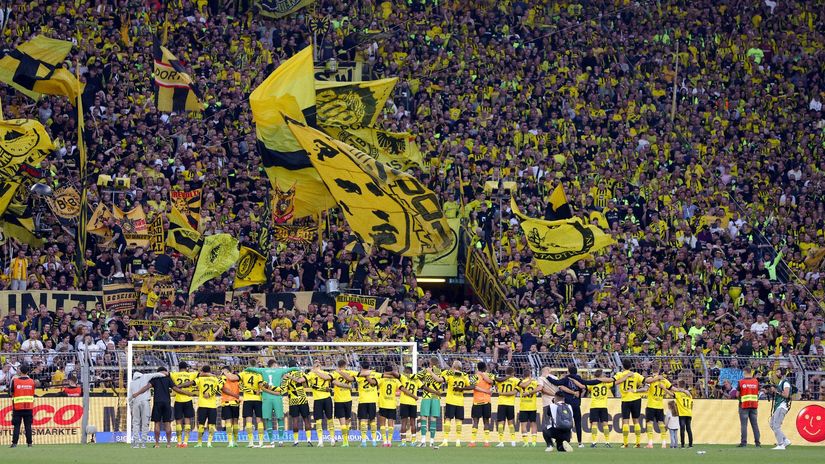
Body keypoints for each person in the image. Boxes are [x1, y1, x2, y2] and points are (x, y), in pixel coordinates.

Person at [246, 359, 301, 446]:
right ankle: (281, 440)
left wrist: (247, 370)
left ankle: (271, 440)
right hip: (277, 397)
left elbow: (250, 369)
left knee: (268, 418)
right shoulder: (279, 370)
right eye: (277, 364)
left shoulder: (263, 370)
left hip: (266, 397)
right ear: (274, 365)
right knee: (280, 418)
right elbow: (292, 369)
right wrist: (299, 368)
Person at [130, 366, 188, 448]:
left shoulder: (155, 379)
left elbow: (146, 387)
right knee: (167, 423)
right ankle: (168, 444)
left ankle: (157, 444)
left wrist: (137, 393)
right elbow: (176, 389)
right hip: (167, 403)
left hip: (157, 402)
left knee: (157, 423)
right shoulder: (168, 379)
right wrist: (186, 393)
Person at [275, 368, 313, 446]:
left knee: (295, 420)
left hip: (293, 401)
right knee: (306, 419)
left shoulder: (287, 376)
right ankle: (309, 441)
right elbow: (306, 385)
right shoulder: (301, 373)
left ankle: (296, 442)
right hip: (303, 399)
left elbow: (282, 389)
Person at [129, 370, 166, 448]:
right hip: (145, 402)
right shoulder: (145, 376)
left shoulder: (131, 383)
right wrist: (165, 373)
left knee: (135, 423)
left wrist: (131, 407)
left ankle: (136, 442)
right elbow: (157, 374)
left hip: (135, 402)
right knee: (145, 423)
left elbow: (130, 397)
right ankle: (143, 443)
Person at [614, 359, 645, 448]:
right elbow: (645, 381)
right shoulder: (636, 375)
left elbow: (614, 382)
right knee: (636, 421)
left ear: (623, 366)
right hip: (636, 399)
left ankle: (625, 443)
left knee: (625, 422)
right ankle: (638, 442)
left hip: (626, 400)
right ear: (631, 366)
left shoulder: (620, 374)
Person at [9, 364, 39, 448]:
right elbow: (33, 392)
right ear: (28, 372)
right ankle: (29, 444)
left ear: (20, 371)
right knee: (28, 426)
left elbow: (11, 393)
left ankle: (14, 444)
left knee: (17, 426)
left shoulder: (15, 381)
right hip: (28, 407)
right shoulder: (32, 382)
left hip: (17, 407)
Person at [441, 360, 470, 447]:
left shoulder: (449, 373)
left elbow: (443, 379)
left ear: (453, 366)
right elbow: (469, 386)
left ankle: (445, 440)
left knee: (448, 420)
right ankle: (458, 441)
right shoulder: (465, 375)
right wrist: (461, 389)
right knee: (459, 422)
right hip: (460, 401)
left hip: (450, 400)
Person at [306, 361, 335, 447]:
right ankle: (320, 440)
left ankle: (332, 439)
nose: (317, 364)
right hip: (318, 399)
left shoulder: (325, 373)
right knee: (318, 421)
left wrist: (316, 372)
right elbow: (307, 383)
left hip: (327, 398)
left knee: (330, 418)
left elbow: (327, 378)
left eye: (318, 363)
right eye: (315, 363)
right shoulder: (310, 374)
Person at [642, 368, 672, 448]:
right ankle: (664, 443)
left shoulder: (651, 380)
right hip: (659, 406)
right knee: (661, 424)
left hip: (651, 405)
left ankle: (650, 443)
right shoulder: (664, 381)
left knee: (649, 424)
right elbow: (672, 388)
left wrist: (655, 378)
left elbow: (646, 381)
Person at [169, 362, 197, 448]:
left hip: (178, 400)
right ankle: (185, 442)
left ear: (179, 367)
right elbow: (202, 373)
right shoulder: (192, 375)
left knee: (178, 421)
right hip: (188, 399)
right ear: (186, 368)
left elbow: (165, 373)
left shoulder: (174, 374)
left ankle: (179, 442)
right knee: (187, 420)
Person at [417, 359, 443, 447]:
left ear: (431, 363)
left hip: (426, 396)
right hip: (436, 397)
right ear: (438, 363)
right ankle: (432, 441)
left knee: (424, 417)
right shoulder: (440, 372)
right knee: (433, 419)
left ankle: (423, 441)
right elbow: (440, 381)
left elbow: (416, 377)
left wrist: (423, 384)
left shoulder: (425, 371)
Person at [331, 359, 357, 447]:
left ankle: (345, 442)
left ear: (338, 365)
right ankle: (346, 441)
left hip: (339, 400)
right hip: (348, 399)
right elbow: (353, 379)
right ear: (345, 365)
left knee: (342, 422)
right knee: (347, 422)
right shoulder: (350, 372)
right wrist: (347, 386)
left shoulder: (334, 373)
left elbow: (332, 381)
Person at [193, 365, 220, 448]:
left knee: (201, 424)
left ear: (202, 371)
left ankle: (199, 443)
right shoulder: (215, 379)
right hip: (212, 405)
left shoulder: (200, 378)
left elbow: (193, 382)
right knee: (212, 425)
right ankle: (209, 443)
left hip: (202, 404)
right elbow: (218, 388)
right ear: (210, 370)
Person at [239, 364, 266, 447]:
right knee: (259, 421)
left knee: (248, 421)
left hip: (247, 400)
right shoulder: (259, 374)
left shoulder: (243, 373)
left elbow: (240, 386)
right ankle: (261, 442)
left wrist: (251, 392)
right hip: (258, 399)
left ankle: (250, 442)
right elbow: (262, 386)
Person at [469, 361, 494, 448]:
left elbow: (473, 386)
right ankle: (486, 442)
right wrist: (486, 391)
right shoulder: (490, 375)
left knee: (475, 421)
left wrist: (481, 374)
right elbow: (492, 382)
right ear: (485, 368)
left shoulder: (474, 377)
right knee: (486, 421)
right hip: (487, 401)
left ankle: (472, 442)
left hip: (477, 401)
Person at [495, 366, 521, 447]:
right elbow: (513, 393)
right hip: (510, 404)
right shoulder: (516, 380)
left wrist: (501, 393)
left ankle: (501, 441)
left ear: (505, 372)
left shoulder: (500, 380)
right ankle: (513, 441)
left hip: (501, 403)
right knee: (511, 423)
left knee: (500, 423)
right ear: (513, 372)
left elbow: (496, 389)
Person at [356, 361, 380, 447]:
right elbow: (374, 382)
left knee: (363, 420)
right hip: (372, 400)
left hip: (363, 400)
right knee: (372, 420)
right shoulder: (375, 374)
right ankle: (374, 441)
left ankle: (363, 441)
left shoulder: (358, 376)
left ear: (361, 367)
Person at [376, 364, 401, 447]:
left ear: (384, 371)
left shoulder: (381, 379)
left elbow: (375, 384)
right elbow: (401, 388)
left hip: (383, 404)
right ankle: (389, 442)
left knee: (382, 424)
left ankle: (385, 441)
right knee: (391, 424)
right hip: (392, 404)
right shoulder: (396, 381)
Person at [770, 368, 793, 450]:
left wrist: (776, 391)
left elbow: (786, 395)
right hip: (779, 406)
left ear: (782, 373)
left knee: (776, 425)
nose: (776, 373)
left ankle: (781, 444)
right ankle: (785, 440)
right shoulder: (781, 382)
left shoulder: (785, 383)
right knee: (772, 423)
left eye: (778, 372)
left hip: (782, 406)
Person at [398, 364, 422, 447]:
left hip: (404, 402)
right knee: (412, 423)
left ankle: (403, 442)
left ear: (406, 372)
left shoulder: (403, 377)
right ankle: (413, 441)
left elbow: (397, 374)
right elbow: (423, 387)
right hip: (413, 403)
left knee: (404, 422)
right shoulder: (416, 380)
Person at [737, 366, 761, 447]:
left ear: (745, 372)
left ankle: (743, 443)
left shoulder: (741, 382)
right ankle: (757, 443)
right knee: (755, 424)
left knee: (744, 425)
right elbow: (758, 392)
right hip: (754, 405)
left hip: (744, 405)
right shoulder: (756, 381)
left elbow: (737, 394)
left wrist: (740, 399)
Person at [517, 371, 541, 447]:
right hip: (532, 406)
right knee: (533, 424)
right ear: (530, 375)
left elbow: (518, 390)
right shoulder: (535, 382)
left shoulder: (521, 382)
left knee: (523, 425)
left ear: (523, 375)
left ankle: (526, 442)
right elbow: (540, 388)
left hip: (523, 406)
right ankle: (534, 442)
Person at [220, 366, 241, 448]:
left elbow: (223, 389)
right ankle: (234, 442)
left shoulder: (223, 378)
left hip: (227, 402)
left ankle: (231, 442)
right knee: (234, 421)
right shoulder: (236, 378)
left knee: (229, 422)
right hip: (235, 402)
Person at [672, 381, 694, 448]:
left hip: (682, 414)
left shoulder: (678, 394)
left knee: (682, 429)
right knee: (689, 429)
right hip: (689, 413)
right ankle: (690, 444)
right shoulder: (689, 394)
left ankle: (682, 445)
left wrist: (664, 388)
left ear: (679, 385)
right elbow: (692, 404)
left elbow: (671, 394)